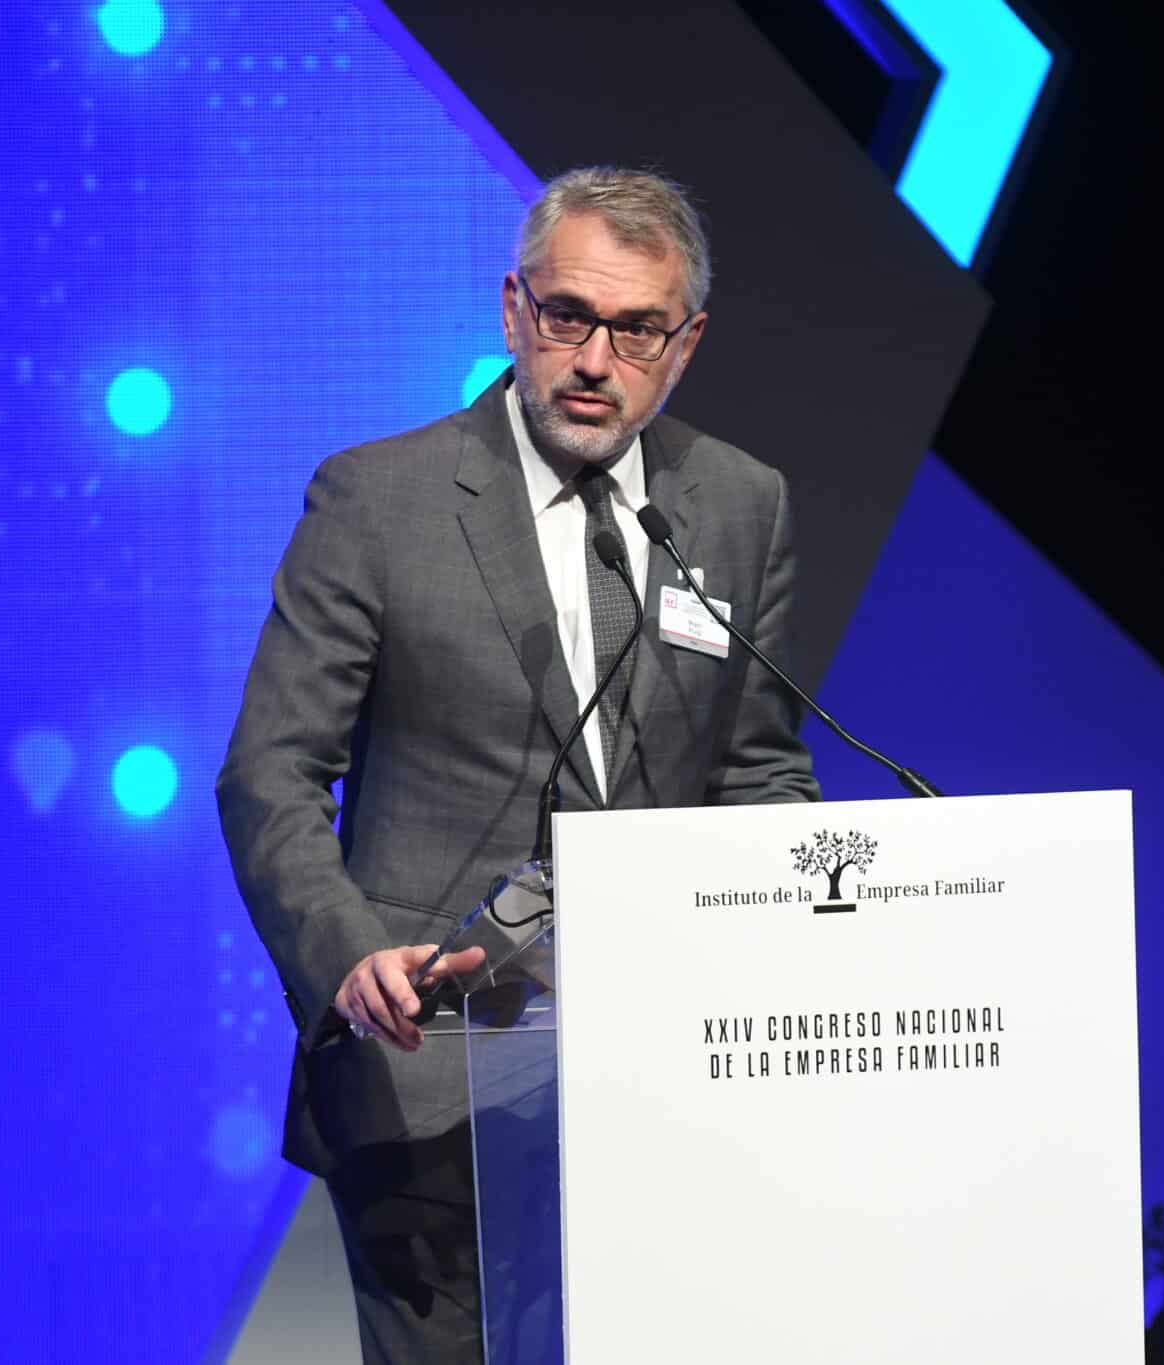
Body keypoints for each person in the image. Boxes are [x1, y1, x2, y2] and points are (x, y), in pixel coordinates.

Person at [216, 166, 819, 1363]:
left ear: (684, 343)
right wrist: (347, 959)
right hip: (427, 1073)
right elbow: (269, 776)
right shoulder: (377, 500)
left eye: (636, 328)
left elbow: (756, 772)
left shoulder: (738, 506)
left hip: (662, 1087)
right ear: (512, 313)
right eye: (567, 317)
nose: (596, 359)